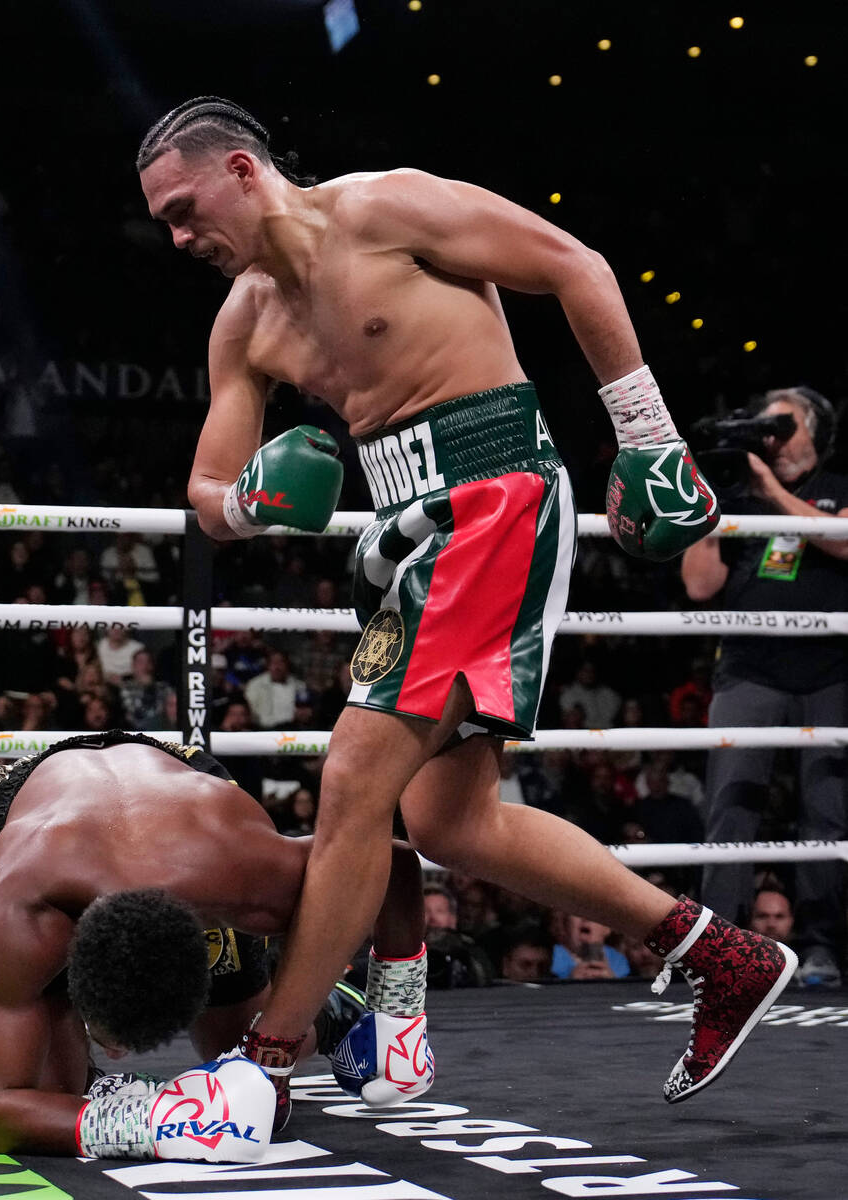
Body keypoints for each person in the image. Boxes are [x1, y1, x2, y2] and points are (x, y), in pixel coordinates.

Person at [137, 95, 791, 1111]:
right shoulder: (245, 322)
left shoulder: (387, 209)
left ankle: (264, 1062)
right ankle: (722, 955)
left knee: (354, 775)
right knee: (448, 820)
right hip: (405, 530)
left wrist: (646, 435)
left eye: (182, 208)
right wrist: (248, 503)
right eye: (163, 224)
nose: (178, 238)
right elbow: (202, 494)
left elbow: (573, 263)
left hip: (497, 493)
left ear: (238, 169)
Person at [0, 730, 424, 1160]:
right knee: (56, 1090)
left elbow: (394, 862)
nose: (119, 1053)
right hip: (24, 801)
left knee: (234, 1046)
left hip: (184, 797)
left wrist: (400, 1018)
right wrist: (159, 1126)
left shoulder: (246, 878)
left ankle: (334, 1013)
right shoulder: (25, 910)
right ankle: (93, 1085)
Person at [682, 385, 848, 987]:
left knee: (826, 814)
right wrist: (704, 505)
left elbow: (844, 539)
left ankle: (822, 946)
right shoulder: (736, 499)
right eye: (764, 426)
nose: (770, 436)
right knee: (730, 808)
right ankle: (720, 952)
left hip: (830, 674)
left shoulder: (839, 489)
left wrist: (771, 495)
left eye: (783, 426)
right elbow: (701, 586)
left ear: (816, 434)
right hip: (749, 670)